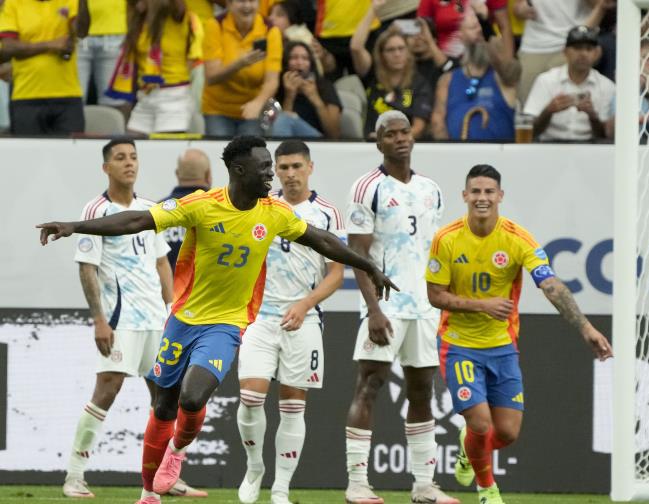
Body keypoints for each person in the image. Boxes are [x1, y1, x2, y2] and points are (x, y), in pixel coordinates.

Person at [37, 135, 397, 504]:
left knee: (192, 399)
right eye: (264, 168)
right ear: (239, 171)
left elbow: (322, 241)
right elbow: (138, 220)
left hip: (227, 324)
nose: (271, 175)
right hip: (183, 319)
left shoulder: (273, 213)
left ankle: (176, 452)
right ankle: (148, 492)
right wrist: (75, 226)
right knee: (163, 406)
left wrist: (368, 265)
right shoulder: (202, 205)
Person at [426, 164, 613, 504]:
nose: (482, 198)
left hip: (503, 347)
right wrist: (481, 305)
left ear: (500, 196)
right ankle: (487, 489)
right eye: (476, 192)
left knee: (507, 433)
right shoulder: (447, 238)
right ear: (465, 196)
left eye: (489, 192)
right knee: (481, 424)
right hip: (459, 345)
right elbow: (435, 296)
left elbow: (551, 285)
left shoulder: (517, 237)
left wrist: (585, 327)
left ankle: (470, 449)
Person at [62, 139, 206, 499]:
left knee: (165, 398)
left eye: (133, 157)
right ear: (106, 167)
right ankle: (74, 476)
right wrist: (99, 319)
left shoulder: (148, 209)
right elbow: (87, 269)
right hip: (119, 320)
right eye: (120, 158)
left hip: (157, 321)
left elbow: (161, 262)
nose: (129, 163)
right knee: (107, 389)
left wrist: (172, 310)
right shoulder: (96, 210)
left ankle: (165, 477)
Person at [342, 111, 458, 504]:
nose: (399, 139)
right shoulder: (366, 187)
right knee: (369, 385)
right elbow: (357, 254)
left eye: (405, 131)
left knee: (423, 390)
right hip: (387, 306)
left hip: (425, 308)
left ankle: (424, 486)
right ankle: (357, 484)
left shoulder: (432, 189)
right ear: (378, 143)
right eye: (389, 134)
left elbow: (433, 252)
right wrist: (373, 309)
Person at [236, 140, 344, 504]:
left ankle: (281, 488)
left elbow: (335, 273)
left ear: (310, 167)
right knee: (250, 398)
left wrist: (305, 304)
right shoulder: (262, 206)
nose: (290, 173)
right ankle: (254, 468)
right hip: (260, 317)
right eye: (283, 167)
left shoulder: (327, 213)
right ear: (274, 170)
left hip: (305, 319)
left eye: (297, 166)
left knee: (292, 405)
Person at [106, 0, 203, 135]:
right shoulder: (139, 21)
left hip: (173, 96)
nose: (136, 3)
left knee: (165, 151)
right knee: (134, 147)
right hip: (145, 96)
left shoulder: (177, 18)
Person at [0, 0, 90, 135]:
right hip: (26, 96)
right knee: (27, 154)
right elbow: (8, 47)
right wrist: (51, 45)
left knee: (71, 154)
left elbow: (81, 32)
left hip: (68, 96)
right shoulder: (13, 3)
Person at [430, 6, 519, 141]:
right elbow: (438, 123)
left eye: (482, 27)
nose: (479, 32)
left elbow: (501, 60)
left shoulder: (504, 76)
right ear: (460, 36)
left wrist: (485, 24)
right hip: (458, 154)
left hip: (499, 154)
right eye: (473, 27)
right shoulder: (447, 79)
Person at [202, 0, 282, 137]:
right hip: (217, 109)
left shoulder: (270, 30)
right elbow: (211, 77)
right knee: (221, 154)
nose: (247, 6)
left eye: (252, 1)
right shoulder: (215, 25)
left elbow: (272, 80)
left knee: (249, 156)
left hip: (252, 108)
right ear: (229, 4)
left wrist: (258, 103)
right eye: (241, 1)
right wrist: (240, 64)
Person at [350, 7, 433, 139]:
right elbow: (356, 47)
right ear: (381, 55)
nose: (397, 54)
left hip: (403, 146)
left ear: (408, 52)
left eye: (401, 49)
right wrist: (373, 10)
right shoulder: (372, 74)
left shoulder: (419, 83)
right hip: (370, 144)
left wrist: (391, 139)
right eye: (391, 50)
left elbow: (419, 127)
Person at [524, 25, 614, 141]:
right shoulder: (546, 80)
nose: (583, 54)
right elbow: (531, 132)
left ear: (597, 53)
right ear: (565, 51)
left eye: (589, 49)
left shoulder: (607, 86)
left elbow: (605, 137)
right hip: (548, 146)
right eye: (577, 48)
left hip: (590, 149)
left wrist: (593, 116)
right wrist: (548, 111)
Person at [270, 40, 342, 139]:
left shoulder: (325, 86)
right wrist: (289, 96)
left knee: (285, 118)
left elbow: (334, 134)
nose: (299, 63)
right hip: (292, 143)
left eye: (305, 58)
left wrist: (315, 98)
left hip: (320, 143)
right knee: (285, 118)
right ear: (286, 63)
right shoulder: (278, 87)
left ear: (311, 64)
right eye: (294, 58)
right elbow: (280, 126)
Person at [160, 148, 212, 271]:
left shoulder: (157, 212)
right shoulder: (223, 209)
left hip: (168, 289)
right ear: (208, 175)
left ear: (177, 174)